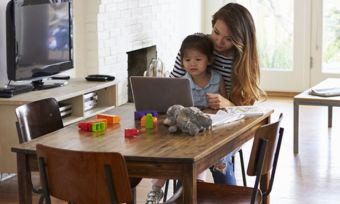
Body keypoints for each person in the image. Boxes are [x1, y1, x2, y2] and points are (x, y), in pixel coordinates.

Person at [169, 0, 266, 191]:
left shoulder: (242, 63)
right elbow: (171, 86)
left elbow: (248, 113)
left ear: (241, 40)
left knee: (219, 160)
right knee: (185, 159)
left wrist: (226, 103)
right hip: (192, 124)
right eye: (216, 32)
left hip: (227, 128)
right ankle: (185, 195)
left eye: (228, 38)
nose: (218, 41)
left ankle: (226, 195)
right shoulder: (196, 49)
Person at [146, 33, 226, 204]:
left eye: (198, 59)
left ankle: (198, 186)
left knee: (198, 155)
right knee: (167, 153)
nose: (192, 64)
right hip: (184, 129)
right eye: (187, 60)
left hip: (207, 129)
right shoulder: (182, 81)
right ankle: (155, 189)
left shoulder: (217, 79)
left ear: (209, 60)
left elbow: (225, 107)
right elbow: (175, 108)